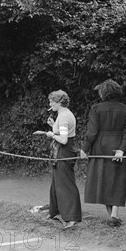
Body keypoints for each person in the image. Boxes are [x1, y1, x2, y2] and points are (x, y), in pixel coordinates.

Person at [80, 79, 126, 227]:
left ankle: (112, 215)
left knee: (102, 180)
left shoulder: (96, 108)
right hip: (116, 147)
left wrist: (84, 149)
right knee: (117, 180)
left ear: (103, 93)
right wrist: (122, 150)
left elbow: (92, 132)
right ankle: (113, 215)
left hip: (99, 148)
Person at [34, 90, 82, 229]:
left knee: (66, 183)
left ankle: (72, 217)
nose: (50, 104)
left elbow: (64, 139)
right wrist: (53, 125)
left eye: (51, 102)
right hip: (60, 152)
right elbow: (61, 131)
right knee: (56, 182)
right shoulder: (62, 115)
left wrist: (51, 135)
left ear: (59, 102)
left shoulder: (65, 116)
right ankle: (55, 211)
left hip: (64, 152)